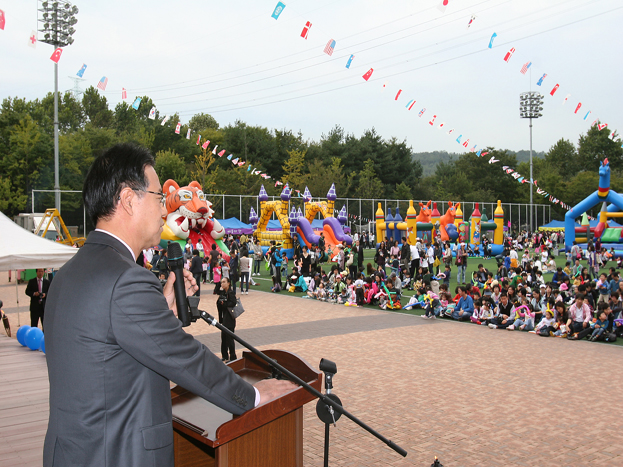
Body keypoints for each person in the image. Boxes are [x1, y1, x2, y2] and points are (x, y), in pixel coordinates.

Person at [42, 143, 292, 467]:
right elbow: (185, 358)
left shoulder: (68, 274)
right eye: (159, 197)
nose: (164, 210)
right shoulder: (127, 280)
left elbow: (109, 352)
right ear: (129, 200)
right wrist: (255, 396)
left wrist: (161, 308)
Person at [215, 277, 238, 361]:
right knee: (224, 338)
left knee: (230, 339)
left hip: (229, 319)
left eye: (224, 282)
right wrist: (218, 283)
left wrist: (224, 304)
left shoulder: (230, 293)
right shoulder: (223, 292)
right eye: (221, 282)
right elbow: (216, 290)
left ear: (229, 283)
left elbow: (233, 302)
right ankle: (224, 355)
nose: (222, 284)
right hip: (224, 318)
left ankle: (233, 356)